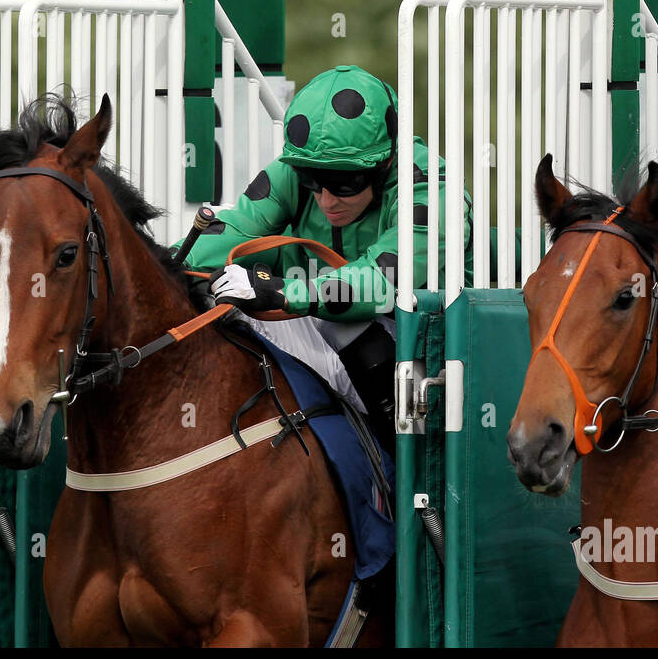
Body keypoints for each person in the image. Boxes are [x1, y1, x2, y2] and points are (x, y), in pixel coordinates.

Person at [182, 64, 471, 455]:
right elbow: (230, 232)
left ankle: (416, 476)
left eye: (345, 184)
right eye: (311, 180)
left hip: (437, 360)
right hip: (332, 323)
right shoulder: (295, 173)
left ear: (384, 162)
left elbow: (383, 283)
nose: (326, 200)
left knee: (346, 328)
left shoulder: (431, 192)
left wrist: (285, 292)